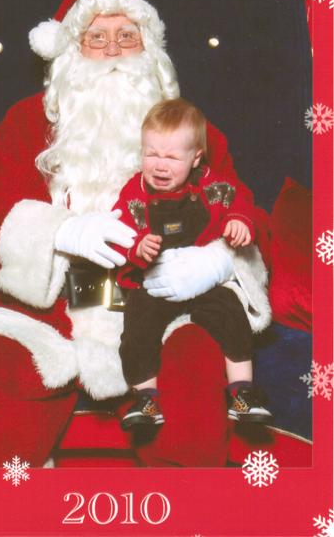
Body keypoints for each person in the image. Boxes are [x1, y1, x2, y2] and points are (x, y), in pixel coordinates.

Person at [0, 0, 270, 467]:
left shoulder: (187, 129)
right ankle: (12, 503)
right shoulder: (26, 121)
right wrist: (61, 232)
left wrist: (215, 261)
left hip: (162, 304)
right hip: (51, 312)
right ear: (71, 50)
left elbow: (236, 202)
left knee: (192, 370)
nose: (113, 51)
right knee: (0, 370)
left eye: (127, 36)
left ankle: (185, 505)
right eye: (96, 37)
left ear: (149, 49)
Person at [110, 98, 272, 431]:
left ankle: (242, 392)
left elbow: (239, 200)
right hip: (155, 285)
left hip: (203, 281)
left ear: (196, 157)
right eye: (151, 154)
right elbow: (120, 231)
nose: (160, 166)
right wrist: (137, 247)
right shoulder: (134, 193)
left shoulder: (212, 185)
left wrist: (240, 221)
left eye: (171, 157)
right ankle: (145, 398)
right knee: (137, 321)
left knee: (230, 309)